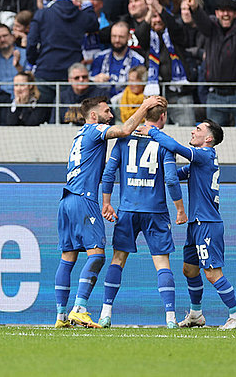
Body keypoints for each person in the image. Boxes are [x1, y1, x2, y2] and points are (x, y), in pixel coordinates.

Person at [55, 94, 165, 329]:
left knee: (68, 259)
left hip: (66, 200)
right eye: (107, 111)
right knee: (97, 255)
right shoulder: (95, 130)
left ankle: (60, 316)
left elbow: (104, 168)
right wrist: (145, 106)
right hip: (83, 199)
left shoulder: (79, 136)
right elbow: (125, 130)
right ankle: (80, 309)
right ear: (93, 115)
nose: (111, 115)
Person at [136, 120, 236, 330]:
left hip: (207, 224)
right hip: (196, 224)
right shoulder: (199, 163)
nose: (193, 131)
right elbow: (173, 176)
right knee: (189, 270)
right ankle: (196, 315)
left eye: (198, 129)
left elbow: (177, 147)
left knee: (212, 273)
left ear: (208, 139)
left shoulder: (205, 155)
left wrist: (152, 132)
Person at [98, 98, 187, 329]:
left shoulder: (123, 138)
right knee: (162, 263)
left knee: (118, 259)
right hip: (155, 211)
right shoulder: (164, 143)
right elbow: (170, 178)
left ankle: (105, 313)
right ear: (163, 117)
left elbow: (108, 174)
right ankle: (170, 318)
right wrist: (179, 209)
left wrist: (106, 203)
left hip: (127, 209)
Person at [187, 0, 236, 127]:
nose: (225, 14)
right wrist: (194, 9)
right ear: (216, 13)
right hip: (215, 95)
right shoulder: (211, 28)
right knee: (213, 140)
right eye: (222, 11)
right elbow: (202, 21)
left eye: (230, 11)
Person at [27, 0, 98, 105]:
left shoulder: (42, 13)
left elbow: (31, 42)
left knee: (41, 113)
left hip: (45, 71)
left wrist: (34, 60)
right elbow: (94, 24)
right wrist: (87, 3)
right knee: (66, 116)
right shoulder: (81, 15)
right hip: (70, 74)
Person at [91, 21, 145, 99]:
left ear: (129, 37)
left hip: (126, 104)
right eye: (114, 36)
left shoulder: (138, 60)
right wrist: (95, 79)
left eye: (121, 37)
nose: (117, 40)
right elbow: (88, 81)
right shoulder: (99, 58)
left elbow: (139, 87)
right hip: (100, 102)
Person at [0, 24, 27, 98]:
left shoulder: (25, 54)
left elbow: (30, 78)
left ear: (12, 37)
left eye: (5, 35)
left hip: (21, 98)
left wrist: (19, 67)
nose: (2, 40)